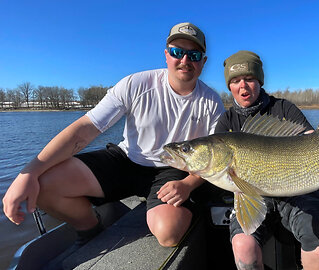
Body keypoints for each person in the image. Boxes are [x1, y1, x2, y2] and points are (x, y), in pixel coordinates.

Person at [2, 22, 225, 248]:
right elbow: (85, 129)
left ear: (203, 62)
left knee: (169, 234)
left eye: (194, 55)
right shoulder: (135, 84)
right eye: (178, 52)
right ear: (167, 55)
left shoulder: (212, 102)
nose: (185, 60)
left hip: (173, 170)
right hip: (127, 160)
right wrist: (28, 172)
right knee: (43, 182)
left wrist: (187, 185)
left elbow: (217, 159)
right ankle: (89, 226)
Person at [215, 50, 319, 270]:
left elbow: (313, 143)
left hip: (298, 190)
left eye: (249, 79)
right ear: (229, 86)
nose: (243, 86)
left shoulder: (284, 108)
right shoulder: (226, 123)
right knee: (243, 248)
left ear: (260, 80)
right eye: (235, 81)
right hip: (251, 195)